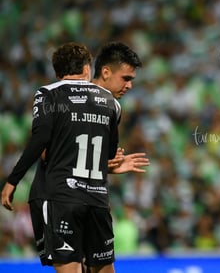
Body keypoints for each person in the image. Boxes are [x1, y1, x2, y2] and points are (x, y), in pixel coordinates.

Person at [2, 41, 148, 270]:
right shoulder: (113, 104)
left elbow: (40, 141)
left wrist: (13, 180)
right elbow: (108, 153)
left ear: (57, 71)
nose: (128, 86)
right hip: (97, 201)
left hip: (60, 197)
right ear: (88, 69)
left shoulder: (48, 94)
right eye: (127, 79)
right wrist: (108, 166)